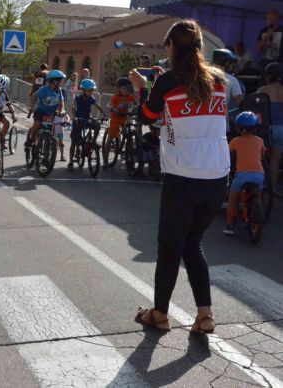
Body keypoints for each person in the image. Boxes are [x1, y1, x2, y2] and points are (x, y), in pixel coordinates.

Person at [130, 19, 229, 334]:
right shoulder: (219, 80)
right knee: (192, 243)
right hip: (217, 176)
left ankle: (160, 314)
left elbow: (147, 116)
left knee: (170, 247)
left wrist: (143, 88)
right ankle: (205, 316)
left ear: (171, 47)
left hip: (182, 175)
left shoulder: (166, 82)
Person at [223, 112, 265, 235]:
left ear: (237, 128)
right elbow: (263, 155)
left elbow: (227, 153)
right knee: (257, 196)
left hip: (242, 175)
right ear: (256, 128)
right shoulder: (260, 141)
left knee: (232, 201)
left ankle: (229, 226)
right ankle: (257, 216)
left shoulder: (236, 141)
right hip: (259, 175)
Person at [67, 79, 106, 170]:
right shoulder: (77, 98)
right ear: (83, 90)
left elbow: (98, 106)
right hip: (78, 120)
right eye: (89, 90)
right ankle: (71, 162)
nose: (91, 92)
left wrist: (104, 114)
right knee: (74, 142)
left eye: (92, 90)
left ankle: (93, 143)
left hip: (87, 119)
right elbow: (73, 108)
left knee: (97, 125)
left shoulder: (91, 98)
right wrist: (74, 117)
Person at [257, 62, 283, 195]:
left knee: (260, 160)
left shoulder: (262, 90)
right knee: (274, 163)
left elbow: (256, 110)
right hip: (281, 130)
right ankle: (271, 191)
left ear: (268, 76)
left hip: (266, 130)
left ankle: (258, 190)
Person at [25, 69, 65, 149]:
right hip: (41, 112)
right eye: (60, 80)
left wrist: (60, 111)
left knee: (56, 127)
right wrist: (32, 107)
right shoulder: (44, 89)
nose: (61, 82)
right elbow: (34, 96)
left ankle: (54, 143)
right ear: (54, 81)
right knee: (37, 124)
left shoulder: (59, 90)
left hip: (52, 114)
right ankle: (31, 139)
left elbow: (61, 102)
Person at [103, 77, 135, 168]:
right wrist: (112, 108)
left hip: (124, 118)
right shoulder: (115, 97)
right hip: (116, 119)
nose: (126, 90)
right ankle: (105, 160)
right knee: (110, 137)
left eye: (127, 88)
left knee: (127, 132)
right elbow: (109, 104)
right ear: (119, 88)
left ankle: (126, 150)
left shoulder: (129, 96)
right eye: (124, 88)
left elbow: (135, 101)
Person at [212, 48, 244, 136]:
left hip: (203, 124)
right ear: (226, 63)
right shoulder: (232, 80)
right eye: (231, 63)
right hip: (222, 125)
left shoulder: (202, 78)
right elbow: (242, 103)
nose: (232, 66)